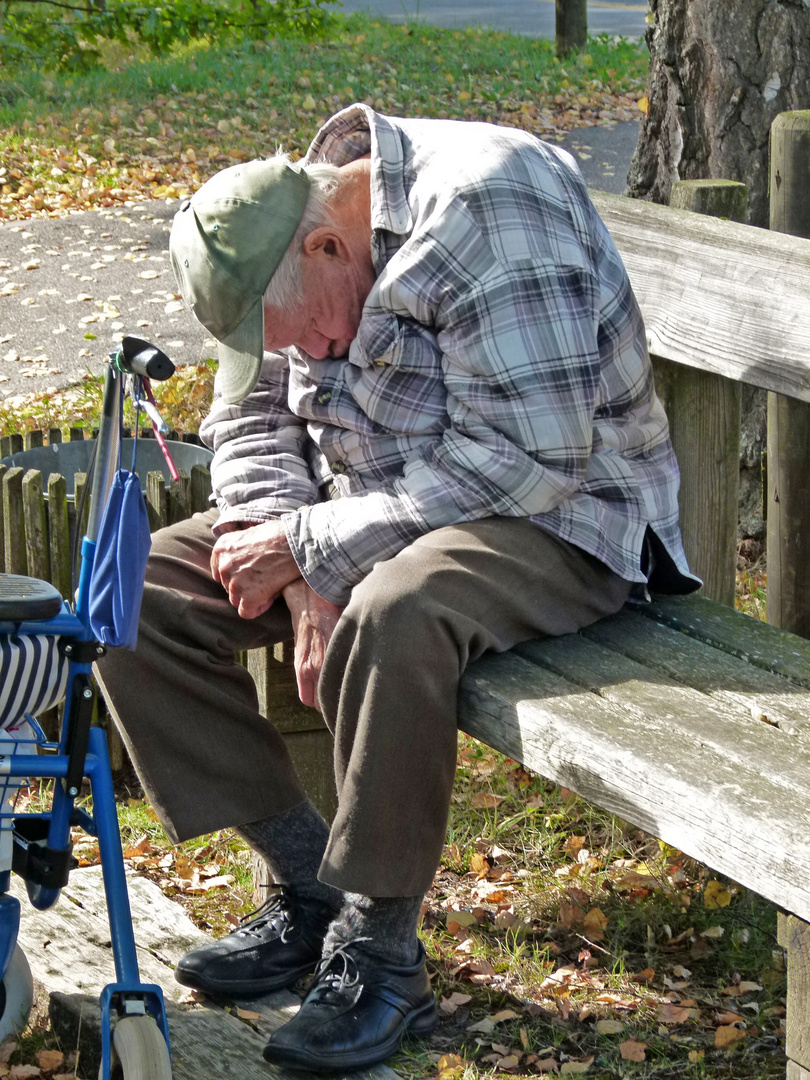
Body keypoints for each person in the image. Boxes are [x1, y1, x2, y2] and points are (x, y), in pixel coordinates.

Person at [96, 103, 699, 1072]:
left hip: (557, 515)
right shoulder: (274, 233)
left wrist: (319, 546)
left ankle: (380, 956)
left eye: (309, 332)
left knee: (396, 610)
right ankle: (307, 885)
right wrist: (299, 572)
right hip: (368, 506)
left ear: (331, 245)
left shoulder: (490, 210)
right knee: (135, 594)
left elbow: (531, 460)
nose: (311, 354)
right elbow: (250, 423)